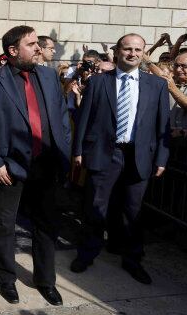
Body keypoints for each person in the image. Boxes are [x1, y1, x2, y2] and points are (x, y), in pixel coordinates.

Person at [0, 26, 71, 306]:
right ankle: (6, 280)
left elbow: (62, 119)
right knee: (4, 226)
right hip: (9, 168)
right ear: (13, 51)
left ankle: (45, 281)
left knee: (46, 226)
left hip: (46, 166)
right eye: (32, 44)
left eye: (38, 43)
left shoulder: (50, 77)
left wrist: (63, 155)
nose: (38, 48)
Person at [71, 33, 170, 285]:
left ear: (144, 52)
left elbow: (162, 126)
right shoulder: (98, 82)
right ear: (117, 51)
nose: (132, 54)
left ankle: (133, 259)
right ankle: (87, 253)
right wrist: (78, 151)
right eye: (127, 49)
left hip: (140, 155)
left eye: (138, 49)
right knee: (95, 206)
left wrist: (162, 157)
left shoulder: (156, 85)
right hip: (105, 152)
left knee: (133, 211)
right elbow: (84, 119)